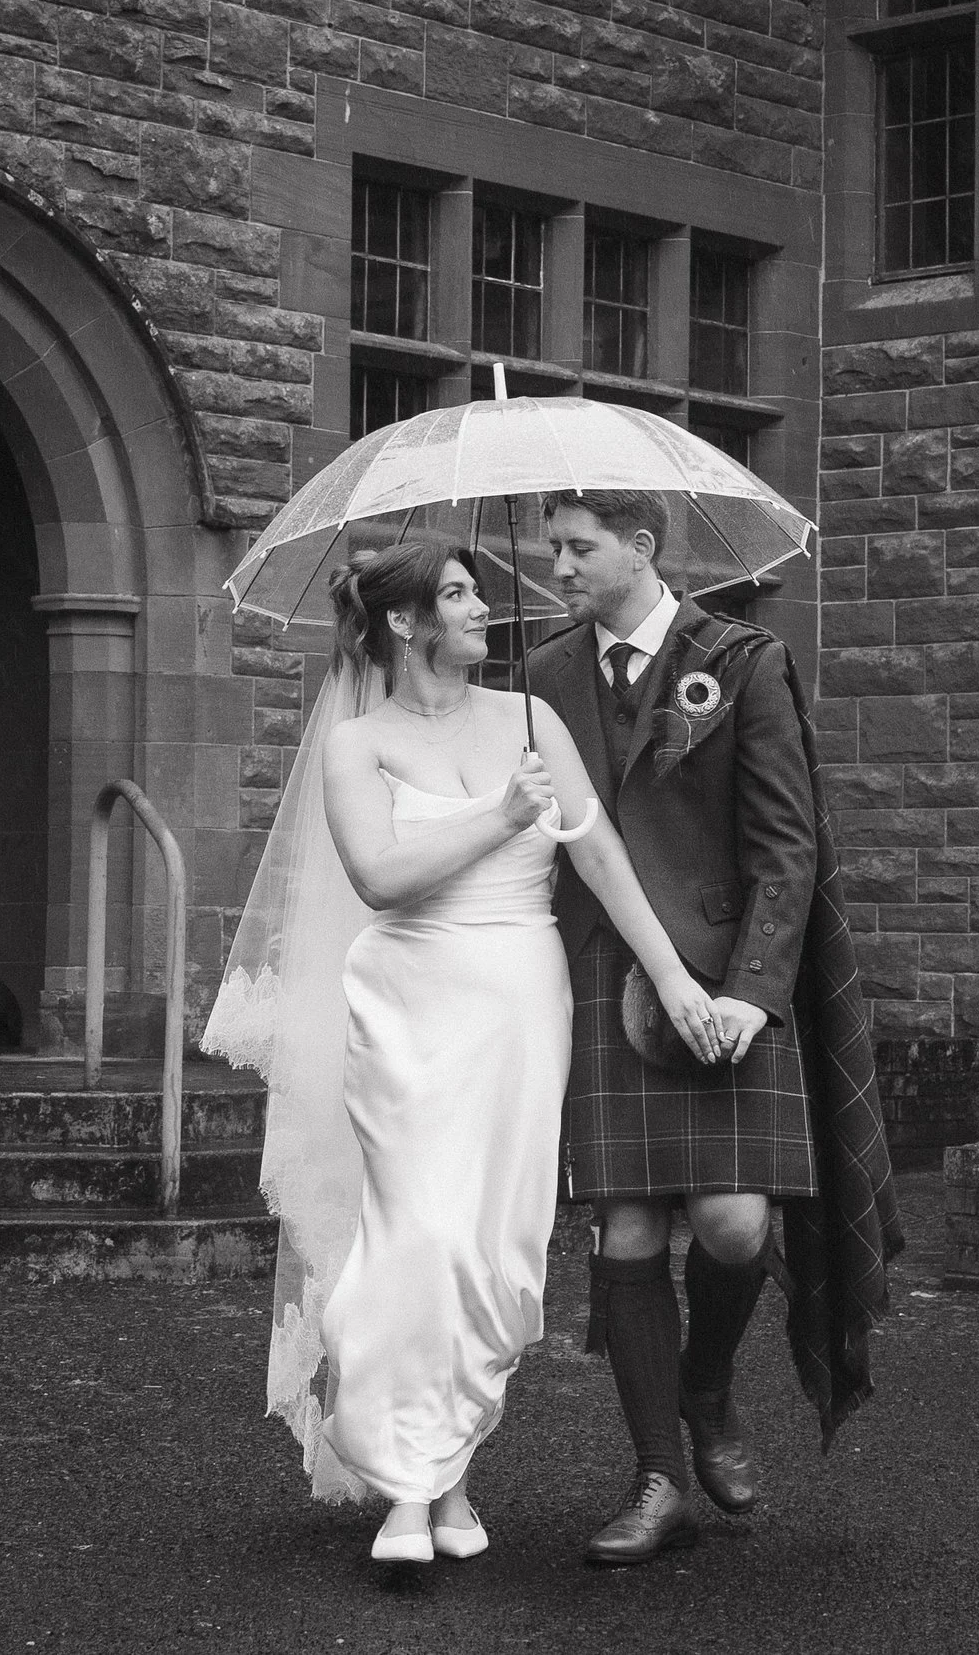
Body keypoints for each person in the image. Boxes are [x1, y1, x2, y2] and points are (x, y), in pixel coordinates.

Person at [203, 534, 722, 1565]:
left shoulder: (532, 718)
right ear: (403, 622)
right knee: (418, 1235)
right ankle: (405, 1491)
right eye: (457, 594)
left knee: (494, 1249)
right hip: (409, 999)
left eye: (478, 592)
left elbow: (603, 854)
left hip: (521, 1003)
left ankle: (448, 1480)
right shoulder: (361, 742)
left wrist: (671, 973)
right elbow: (383, 877)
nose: (484, 607)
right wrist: (498, 813)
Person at [528, 487, 898, 1567]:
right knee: (627, 1231)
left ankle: (706, 1380)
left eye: (578, 546)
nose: (558, 565)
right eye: (549, 546)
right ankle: (657, 1478)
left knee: (735, 1227)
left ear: (640, 547)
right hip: (603, 975)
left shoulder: (741, 660)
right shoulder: (542, 674)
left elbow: (788, 844)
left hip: (727, 975)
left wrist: (751, 988)